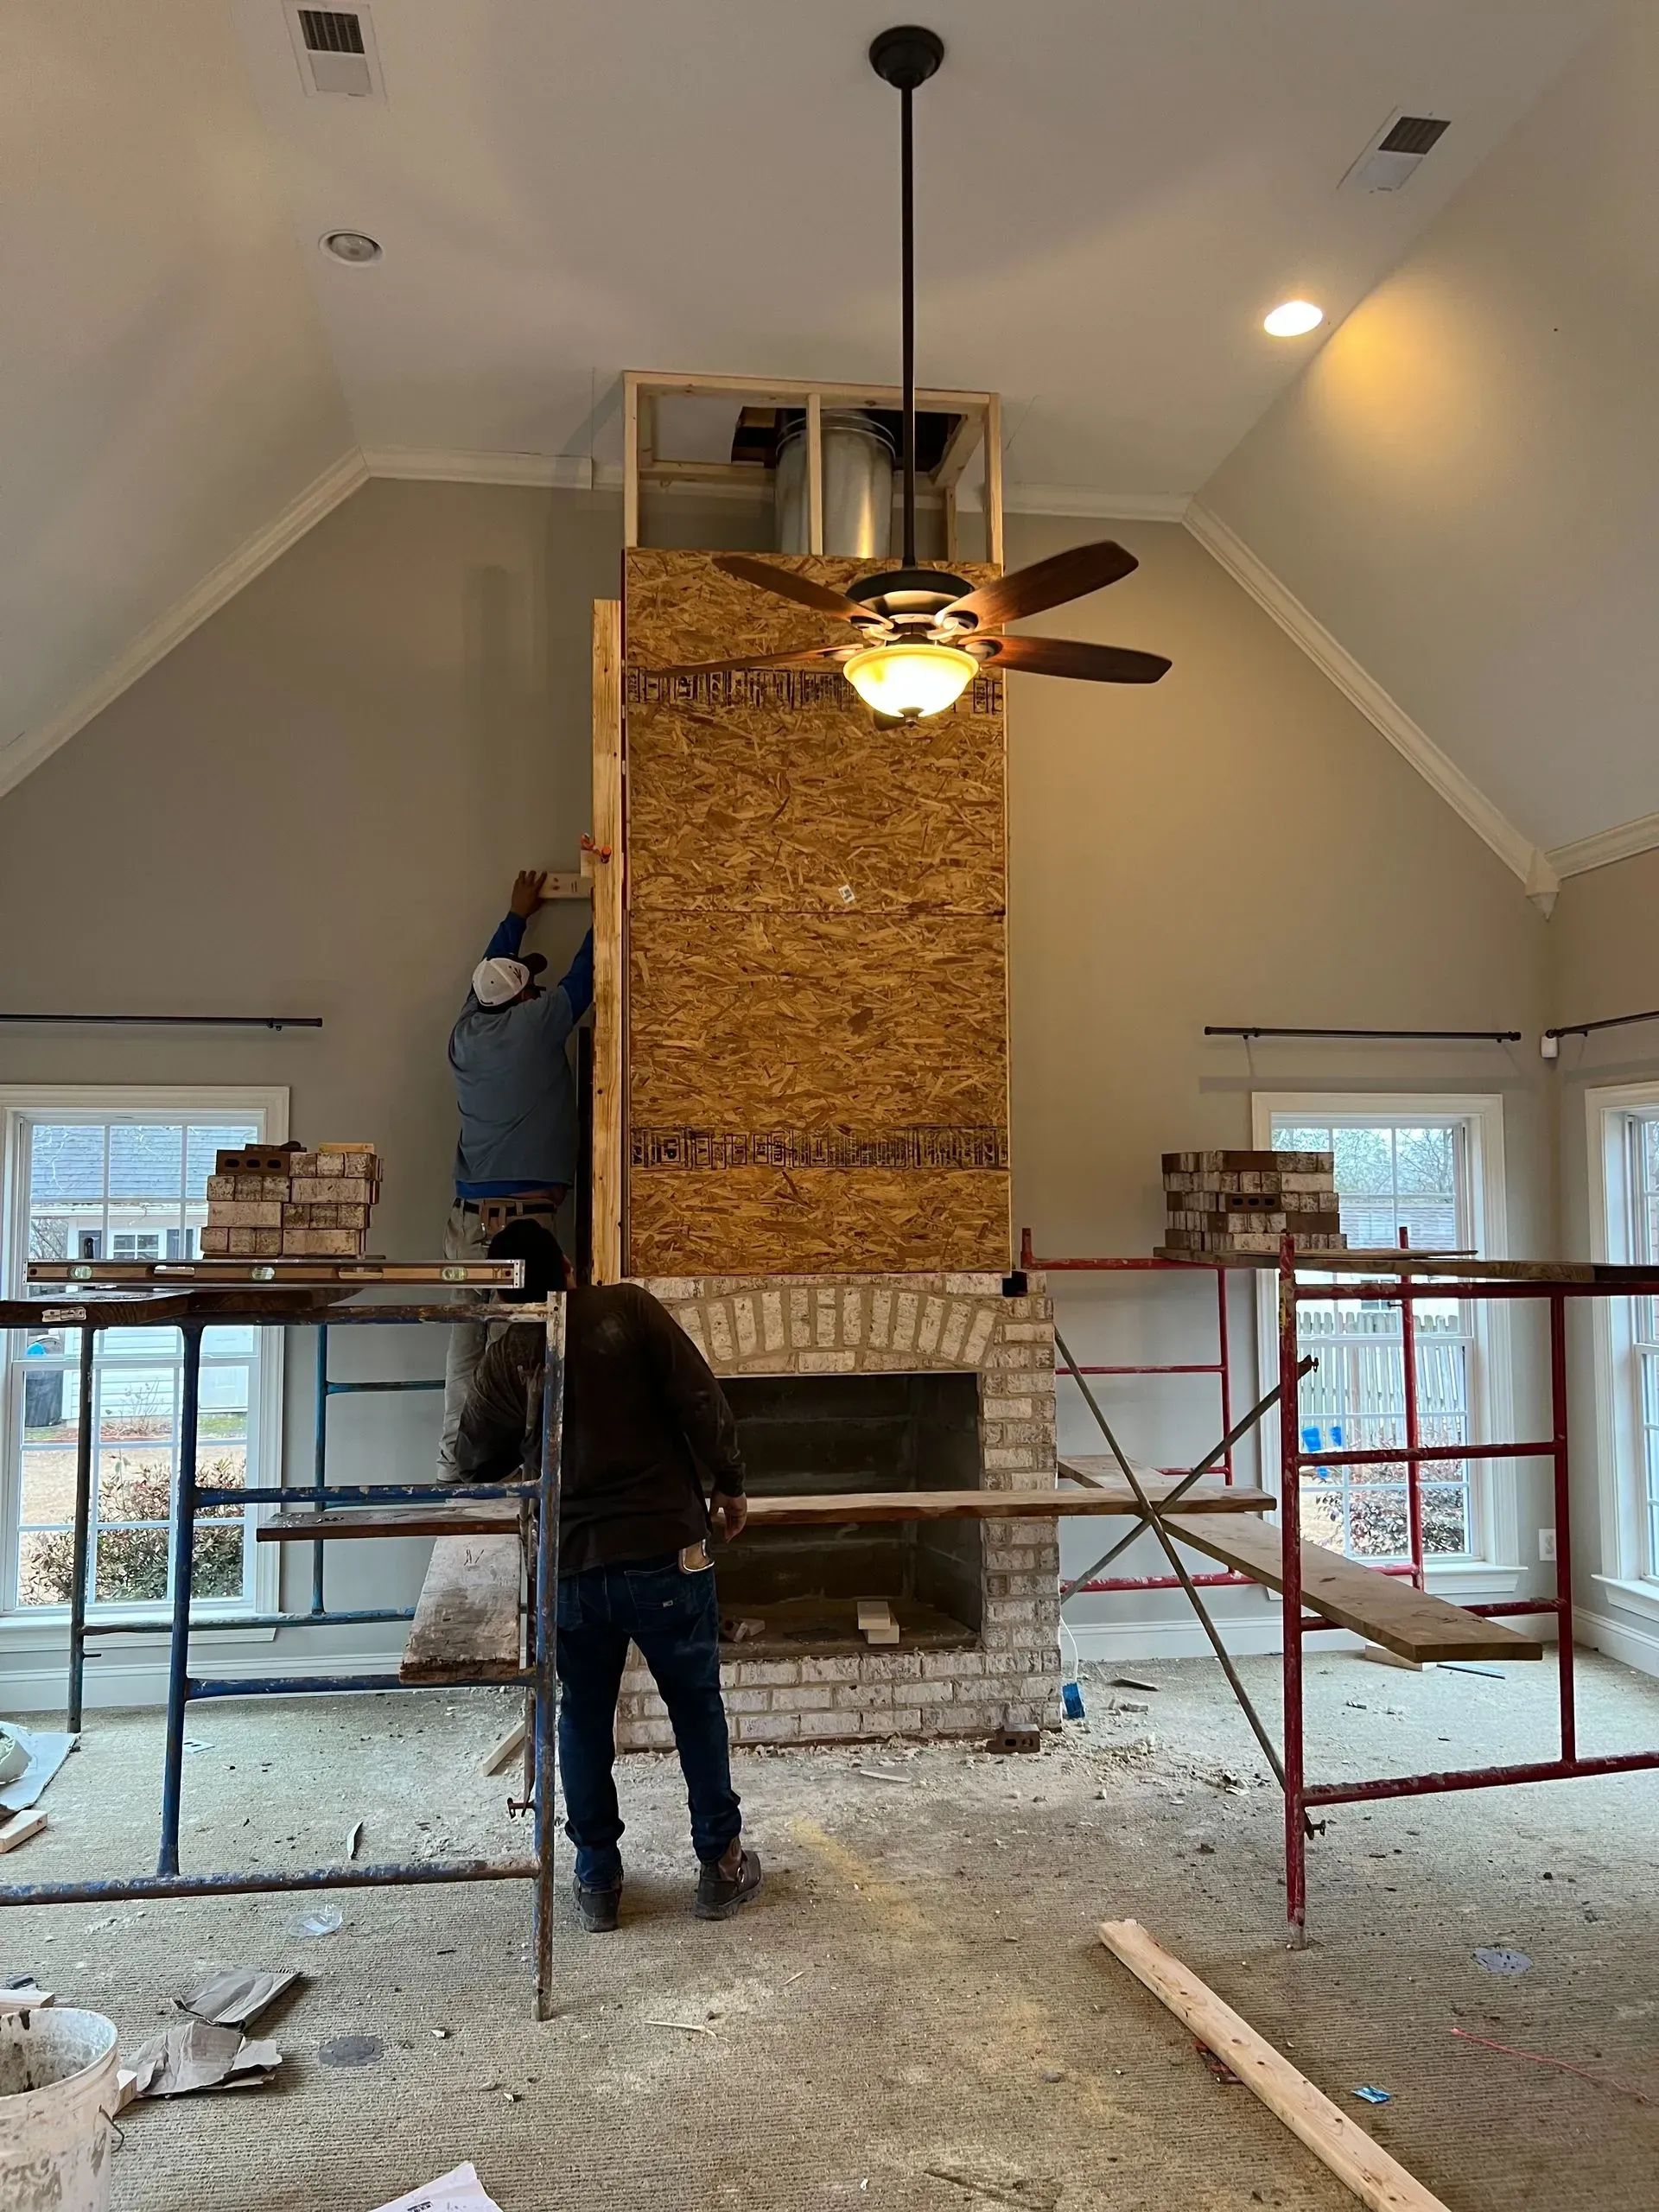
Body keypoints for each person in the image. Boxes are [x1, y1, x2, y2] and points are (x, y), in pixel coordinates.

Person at [454, 1217, 762, 1933]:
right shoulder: (628, 1308)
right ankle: (719, 1866)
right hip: (667, 1555)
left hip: (572, 1570)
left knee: (583, 1718)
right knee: (696, 1707)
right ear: (567, 1267)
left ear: (507, 1291)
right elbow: (700, 1399)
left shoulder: (511, 1355)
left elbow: (474, 1457)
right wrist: (732, 1483)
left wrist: (531, 1445)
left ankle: (598, 1881)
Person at [437, 872, 594, 1479]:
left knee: (464, 1353)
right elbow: (584, 977)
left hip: (466, 1225)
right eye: (531, 983)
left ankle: (457, 1475)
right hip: (523, 1234)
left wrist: (515, 917)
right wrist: (606, 904)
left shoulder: (463, 1034)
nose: (539, 989)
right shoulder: (535, 1025)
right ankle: (528, 1476)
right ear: (522, 998)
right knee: (530, 1356)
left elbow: (487, 978)